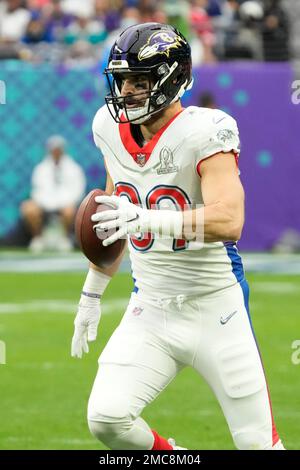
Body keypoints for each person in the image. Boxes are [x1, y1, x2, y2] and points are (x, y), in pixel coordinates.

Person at [71, 22, 285, 450]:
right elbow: (116, 215)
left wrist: (148, 220)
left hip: (215, 308)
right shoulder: (108, 128)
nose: (125, 91)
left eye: (138, 80)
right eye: (122, 80)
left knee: (258, 445)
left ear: (170, 79)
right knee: (107, 419)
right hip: (150, 306)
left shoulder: (206, 129)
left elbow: (229, 220)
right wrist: (91, 295)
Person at [21, 135, 86, 252]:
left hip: (66, 204)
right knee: (28, 208)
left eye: (58, 149)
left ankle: (64, 239)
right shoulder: (40, 168)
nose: (56, 152)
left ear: (63, 150)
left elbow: (78, 191)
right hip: (44, 204)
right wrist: (46, 204)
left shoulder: (74, 169)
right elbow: (36, 190)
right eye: (53, 149)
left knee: (69, 210)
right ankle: (38, 239)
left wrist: (61, 203)